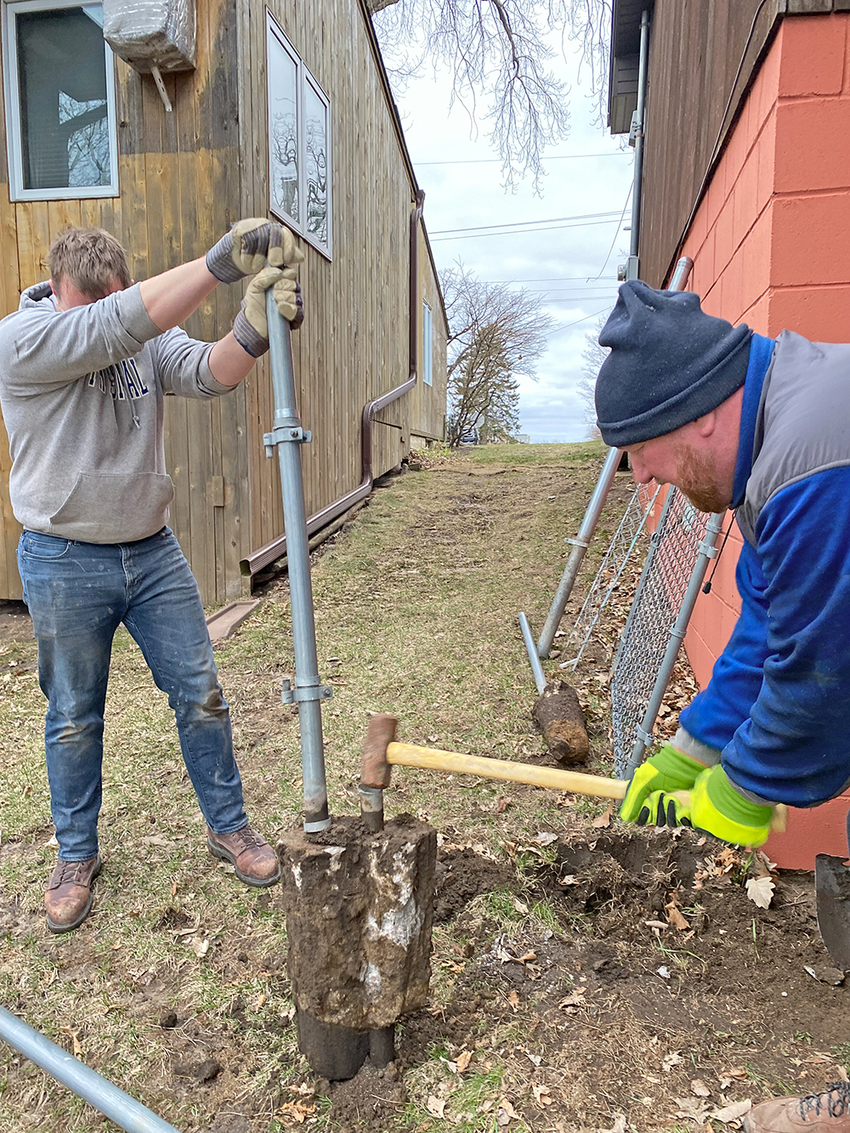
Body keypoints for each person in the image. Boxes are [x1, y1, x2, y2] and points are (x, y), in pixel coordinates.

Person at [594, 280, 850, 1133]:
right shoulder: (779, 436)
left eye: (641, 450)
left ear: (699, 414)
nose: (644, 476)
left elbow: (823, 674)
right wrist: (695, 747)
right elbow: (770, 619)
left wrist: (744, 790)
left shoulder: (815, 458)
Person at [0, 219, 304, 934]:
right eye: (98, 306)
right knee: (73, 715)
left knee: (200, 693)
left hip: (151, 550)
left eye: (118, 302)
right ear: (61, 292)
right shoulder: (23, 338)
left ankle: (229, 828)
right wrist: (218, 263)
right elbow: (114, 325)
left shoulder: (134, 332)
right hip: (63, 555)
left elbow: (206, 372)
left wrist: (252, 330)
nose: (112, 320)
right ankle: (76, 855)